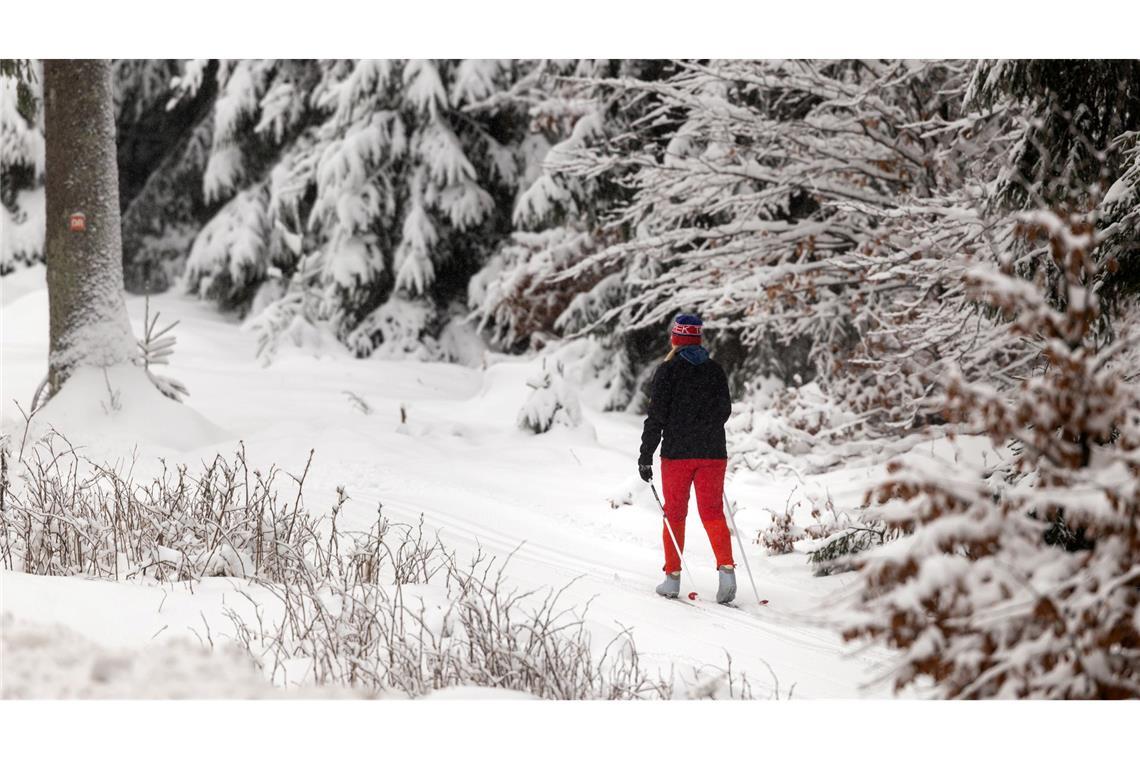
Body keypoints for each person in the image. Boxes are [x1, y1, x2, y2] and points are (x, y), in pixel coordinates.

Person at [638, 314, 736, 603]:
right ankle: (727, 573)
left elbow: (656, 417)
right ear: (698, 339)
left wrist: (646, 454)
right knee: (713, 513)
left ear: (676, 338)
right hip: (713, 453)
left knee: (675, 514)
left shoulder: (667, 371)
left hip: (677, 455)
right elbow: (725, 411)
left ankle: (672, 579)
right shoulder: (715, 370)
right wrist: (705, 426)